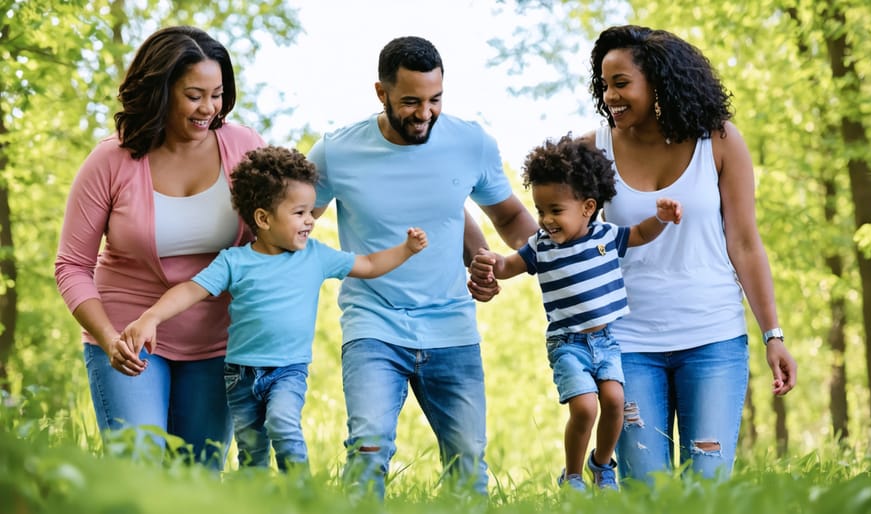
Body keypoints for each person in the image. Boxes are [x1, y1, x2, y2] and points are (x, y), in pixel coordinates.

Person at [306, 35, 538, 499]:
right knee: (369, 448)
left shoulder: (469, 142)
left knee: (469, 464)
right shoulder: (336, 151)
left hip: (451, 324)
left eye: (435, 100)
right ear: (381, 93)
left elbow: (510, 218)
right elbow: (295, 224)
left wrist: (538, 259)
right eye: (411, 101)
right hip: (373, 322)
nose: (424, 113)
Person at [118, 146, 428, 472]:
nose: (310, 221)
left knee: (282, 424)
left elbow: (368, 263)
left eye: (311, 212)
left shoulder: (315, 256)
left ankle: (301, 493)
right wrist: (150, 317)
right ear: (263, 218)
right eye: (299, 213)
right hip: (240, 375)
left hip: (288, 371)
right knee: (251, 453)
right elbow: (190, 290)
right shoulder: (234, 261)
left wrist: (406, 249)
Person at [584, 25, 797, 483]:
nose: (610, 96)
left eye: (622, 83)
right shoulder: (592, 151)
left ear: (658, 82)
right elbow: (555, 224)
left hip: (713, 340)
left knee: (707, 487)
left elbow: (744, 243)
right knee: (647, 490)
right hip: (627, 343)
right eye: (605, 84)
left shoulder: (717, 141)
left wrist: (772, 334)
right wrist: (507, 262)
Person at [54, 26, 266, 469]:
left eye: (218, 94)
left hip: (215, 342)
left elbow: (271, 235)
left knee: (198, 478)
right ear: (161, 90)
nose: (209, 108)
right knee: (142, 469)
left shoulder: (243, 148)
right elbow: (72, 265)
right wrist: (110, 339)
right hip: (127, 340)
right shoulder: (111, 160)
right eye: (194, 95)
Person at [469, 135, 683, 492]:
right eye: (540, 211)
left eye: (555, 211)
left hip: (606, 341)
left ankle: (601, 465)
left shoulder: (604, 236)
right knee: (585, 408)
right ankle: (571, 476)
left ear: (587, 207)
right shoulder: (540, 247)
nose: (546, 220)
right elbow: (509, 265)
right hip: (567, 343)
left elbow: (642, 233)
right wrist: (492, 262)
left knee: (615, 401)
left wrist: (661, 218)